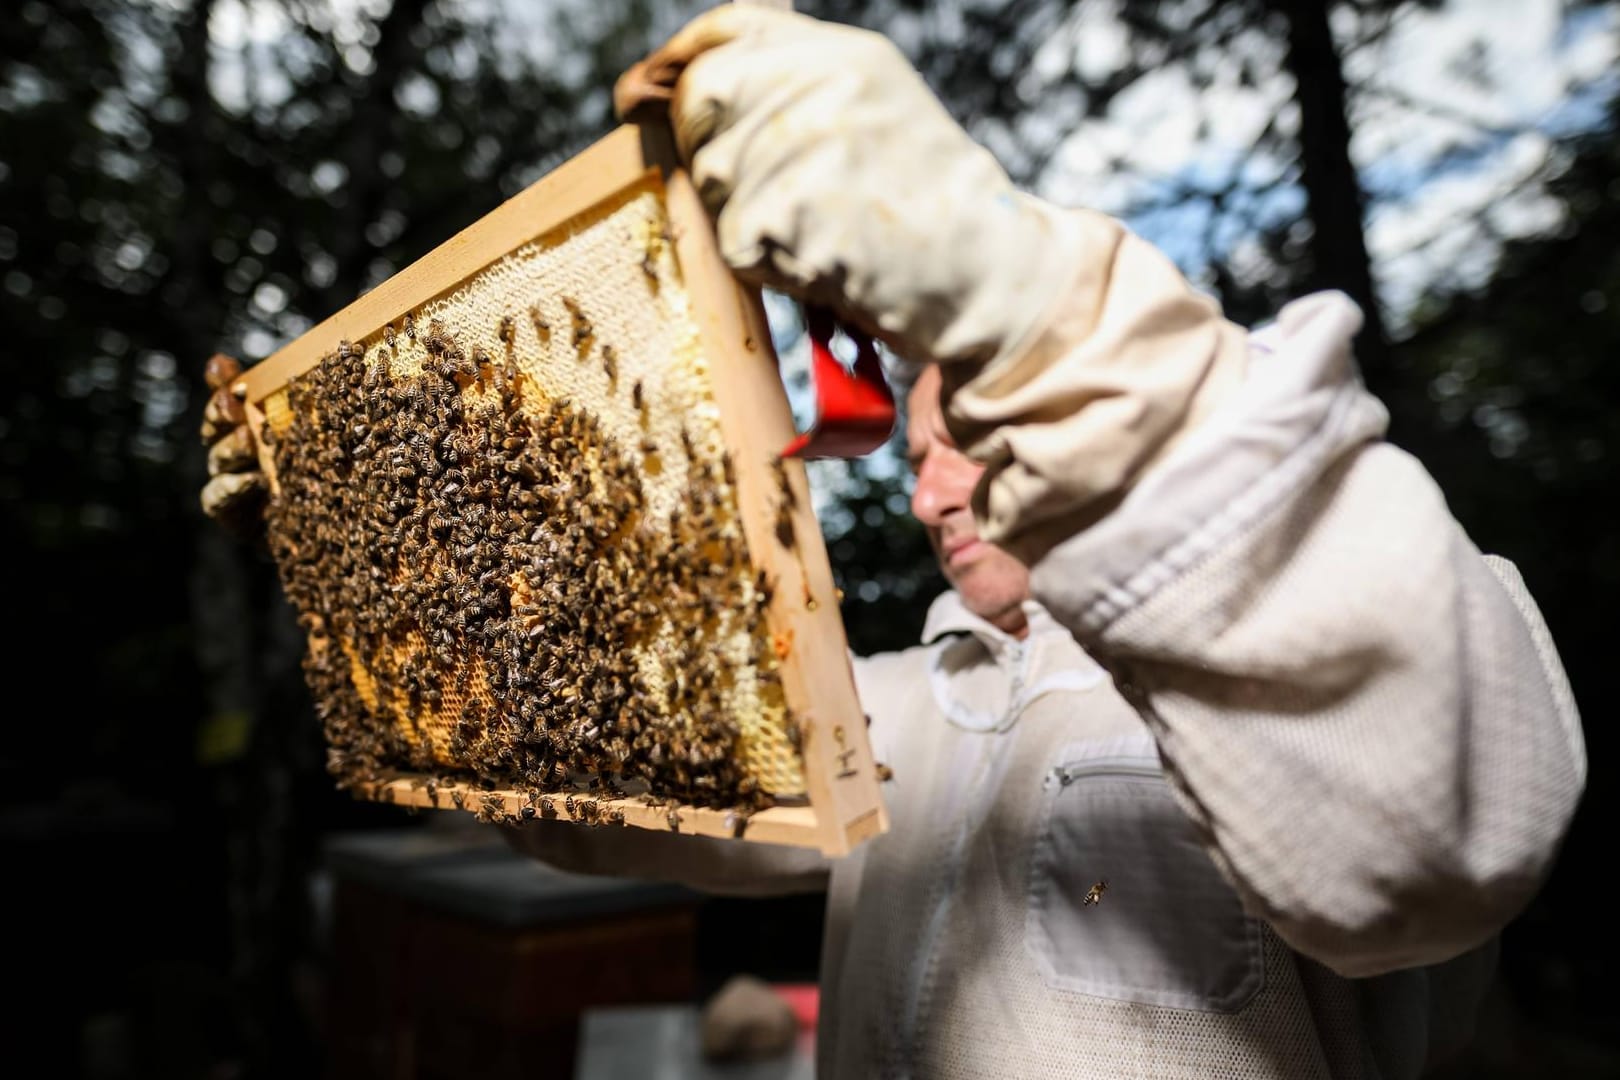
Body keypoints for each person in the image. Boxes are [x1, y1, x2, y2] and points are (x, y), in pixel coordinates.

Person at [201, 9, 1587, 1078]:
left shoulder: (1374, 623)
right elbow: (591, 792)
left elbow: (1426, 838)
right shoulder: (889, 710)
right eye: (912, 447)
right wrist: (363, 562)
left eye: (978, 422)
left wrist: (1022, 302)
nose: (936, 490)